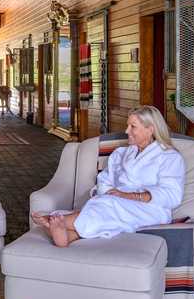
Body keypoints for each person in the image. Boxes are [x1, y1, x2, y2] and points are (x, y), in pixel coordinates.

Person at [32, 105, 186, 247]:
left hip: (150, 210)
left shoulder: (169, 157)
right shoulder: (122, 153)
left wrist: (129, 196)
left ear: (150, 129)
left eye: (133, 127)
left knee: (107, 206)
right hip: (116, 202)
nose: (126, 131)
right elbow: (104, 179)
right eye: (128, 126)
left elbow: (172, 195)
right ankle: (67, 237)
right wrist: (108, 193)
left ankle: (60, 222)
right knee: (107, 206)